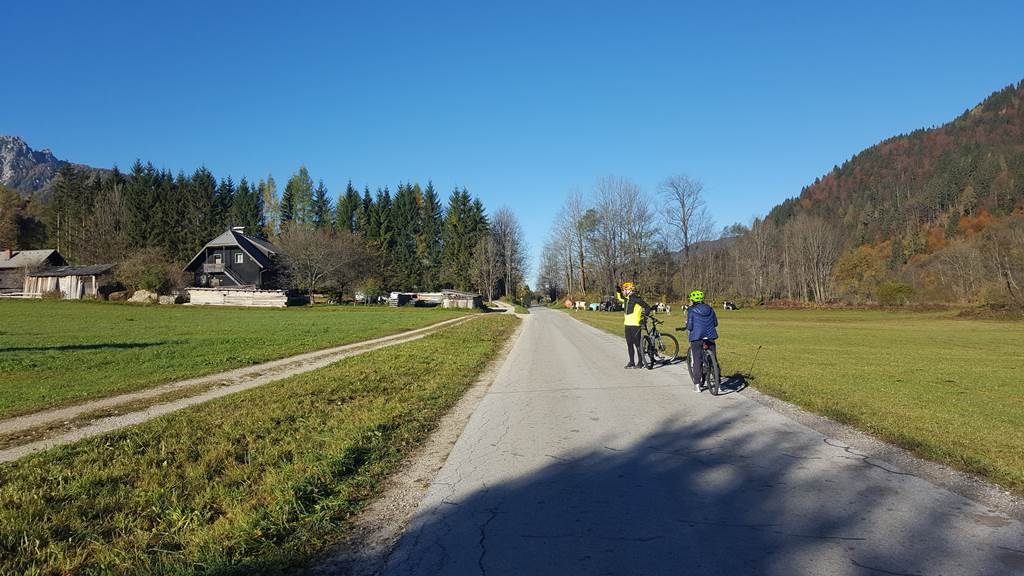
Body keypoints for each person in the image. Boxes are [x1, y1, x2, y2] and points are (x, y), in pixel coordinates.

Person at [684, 289, 718, 391]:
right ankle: (718, 384)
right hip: (710, 337)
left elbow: (690, 327)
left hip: (697, 338)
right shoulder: (710, 309)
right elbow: (715, 323)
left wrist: (686, 324)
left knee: (697, 360)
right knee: (714, 360)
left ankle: (697, 385)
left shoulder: (691, 310)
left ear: (692, 300)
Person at [615, 281, 651, 369]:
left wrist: (644, 319)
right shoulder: (627, 299)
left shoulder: (637, 299)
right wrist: (618, 291)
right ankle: (631, 362)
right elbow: (620, 298)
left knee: (637, 344)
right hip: (627, 324)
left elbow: (647, 307)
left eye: (624, 289)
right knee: (629, 344)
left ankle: (640, 362)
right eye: (623, 290)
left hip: (635, 325)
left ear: (629, 290)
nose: (623, 291)